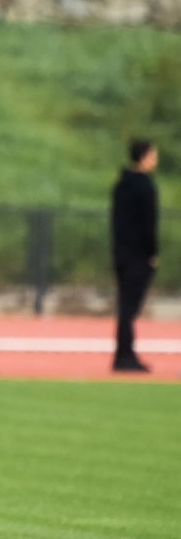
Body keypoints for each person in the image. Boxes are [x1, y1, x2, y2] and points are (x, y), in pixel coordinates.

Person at [111, 139, 160, 373]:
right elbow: (148, 225)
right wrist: (151, 253)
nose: (155, 160)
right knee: (130, 308)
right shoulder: (145, 187)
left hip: (121, 254)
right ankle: (125, 356)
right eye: (152, 155)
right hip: (138, 255)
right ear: (144, 157)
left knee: (125, 307)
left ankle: (123, 352)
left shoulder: (121, 185)